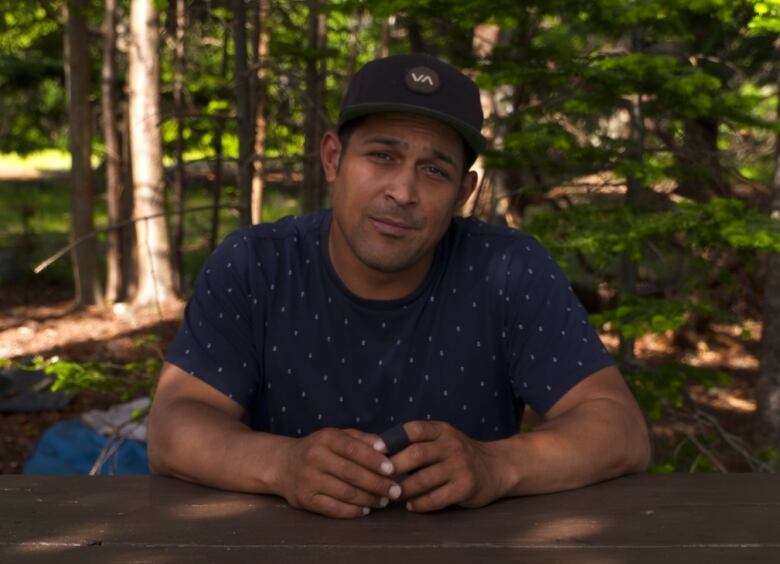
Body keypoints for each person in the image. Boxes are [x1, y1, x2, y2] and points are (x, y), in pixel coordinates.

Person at [148, 53, 650, 519]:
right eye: (382, 156)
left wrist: (497, 466)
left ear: (463, 192)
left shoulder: (509, 271)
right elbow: (174, 426)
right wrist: (282, 464)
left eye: (434, 170)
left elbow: (619, 429)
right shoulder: (257, 265)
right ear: (332, 158)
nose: (403, 191)